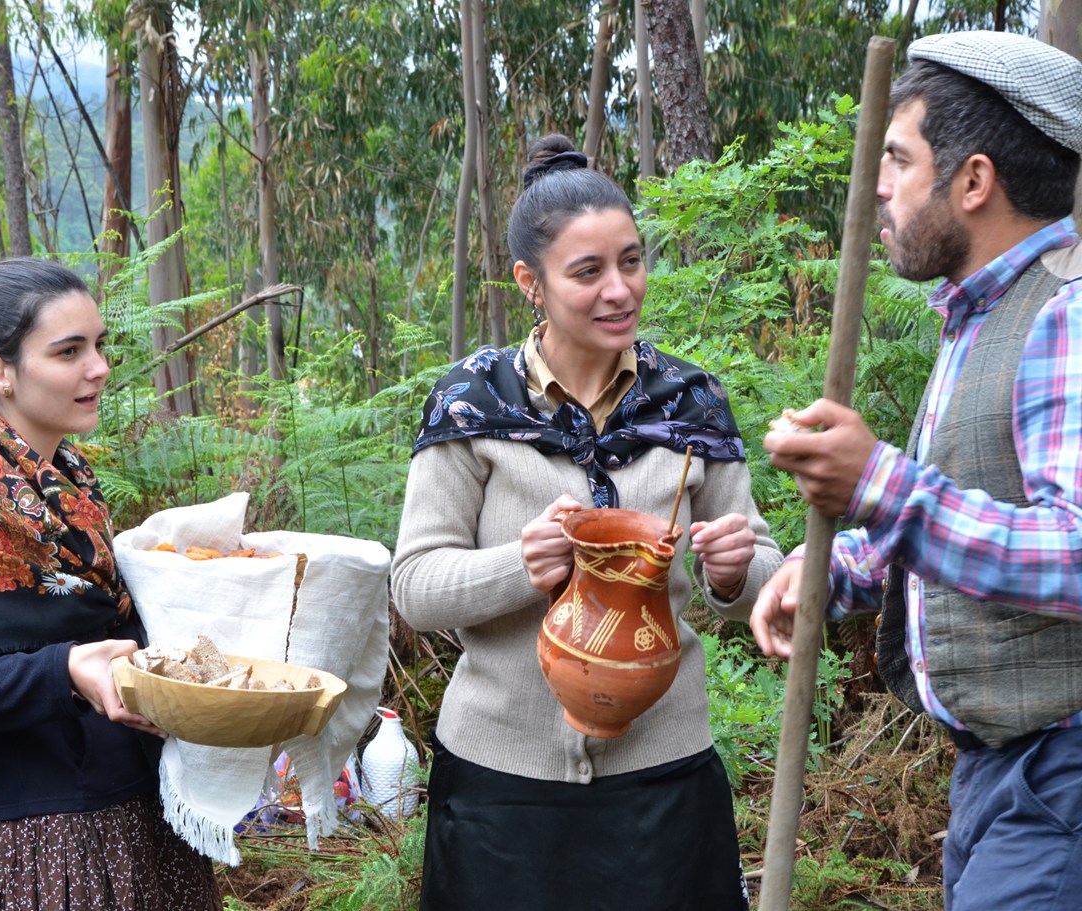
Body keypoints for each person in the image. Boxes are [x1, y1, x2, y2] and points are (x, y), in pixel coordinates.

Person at [392, 134, 782, 910]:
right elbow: (414, 587)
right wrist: (520, 563)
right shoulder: (473, 403)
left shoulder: (690, 403)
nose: (620, 290)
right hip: (502, 786)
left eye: (631, 262)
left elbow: (766, 576)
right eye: (588, 271)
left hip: (662, 779)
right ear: (530, 283)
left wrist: (736, 571)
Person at [751, 31, 1082, 911]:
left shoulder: (1066, 315)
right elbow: (974, 506)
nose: (878, 185)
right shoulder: (979, 316)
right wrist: (826, 568)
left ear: (973, 181)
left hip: (1061, 777)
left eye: (898, 159)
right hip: (999, 775)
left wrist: (883, 486)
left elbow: (1076, 551)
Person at [0, 256, 220, 910]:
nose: (99, 367)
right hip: (49, 844)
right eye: (69, 351)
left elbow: (103, 619)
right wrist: (64, 670)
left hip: (143, 810)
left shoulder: (68, 480)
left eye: (99, 345)